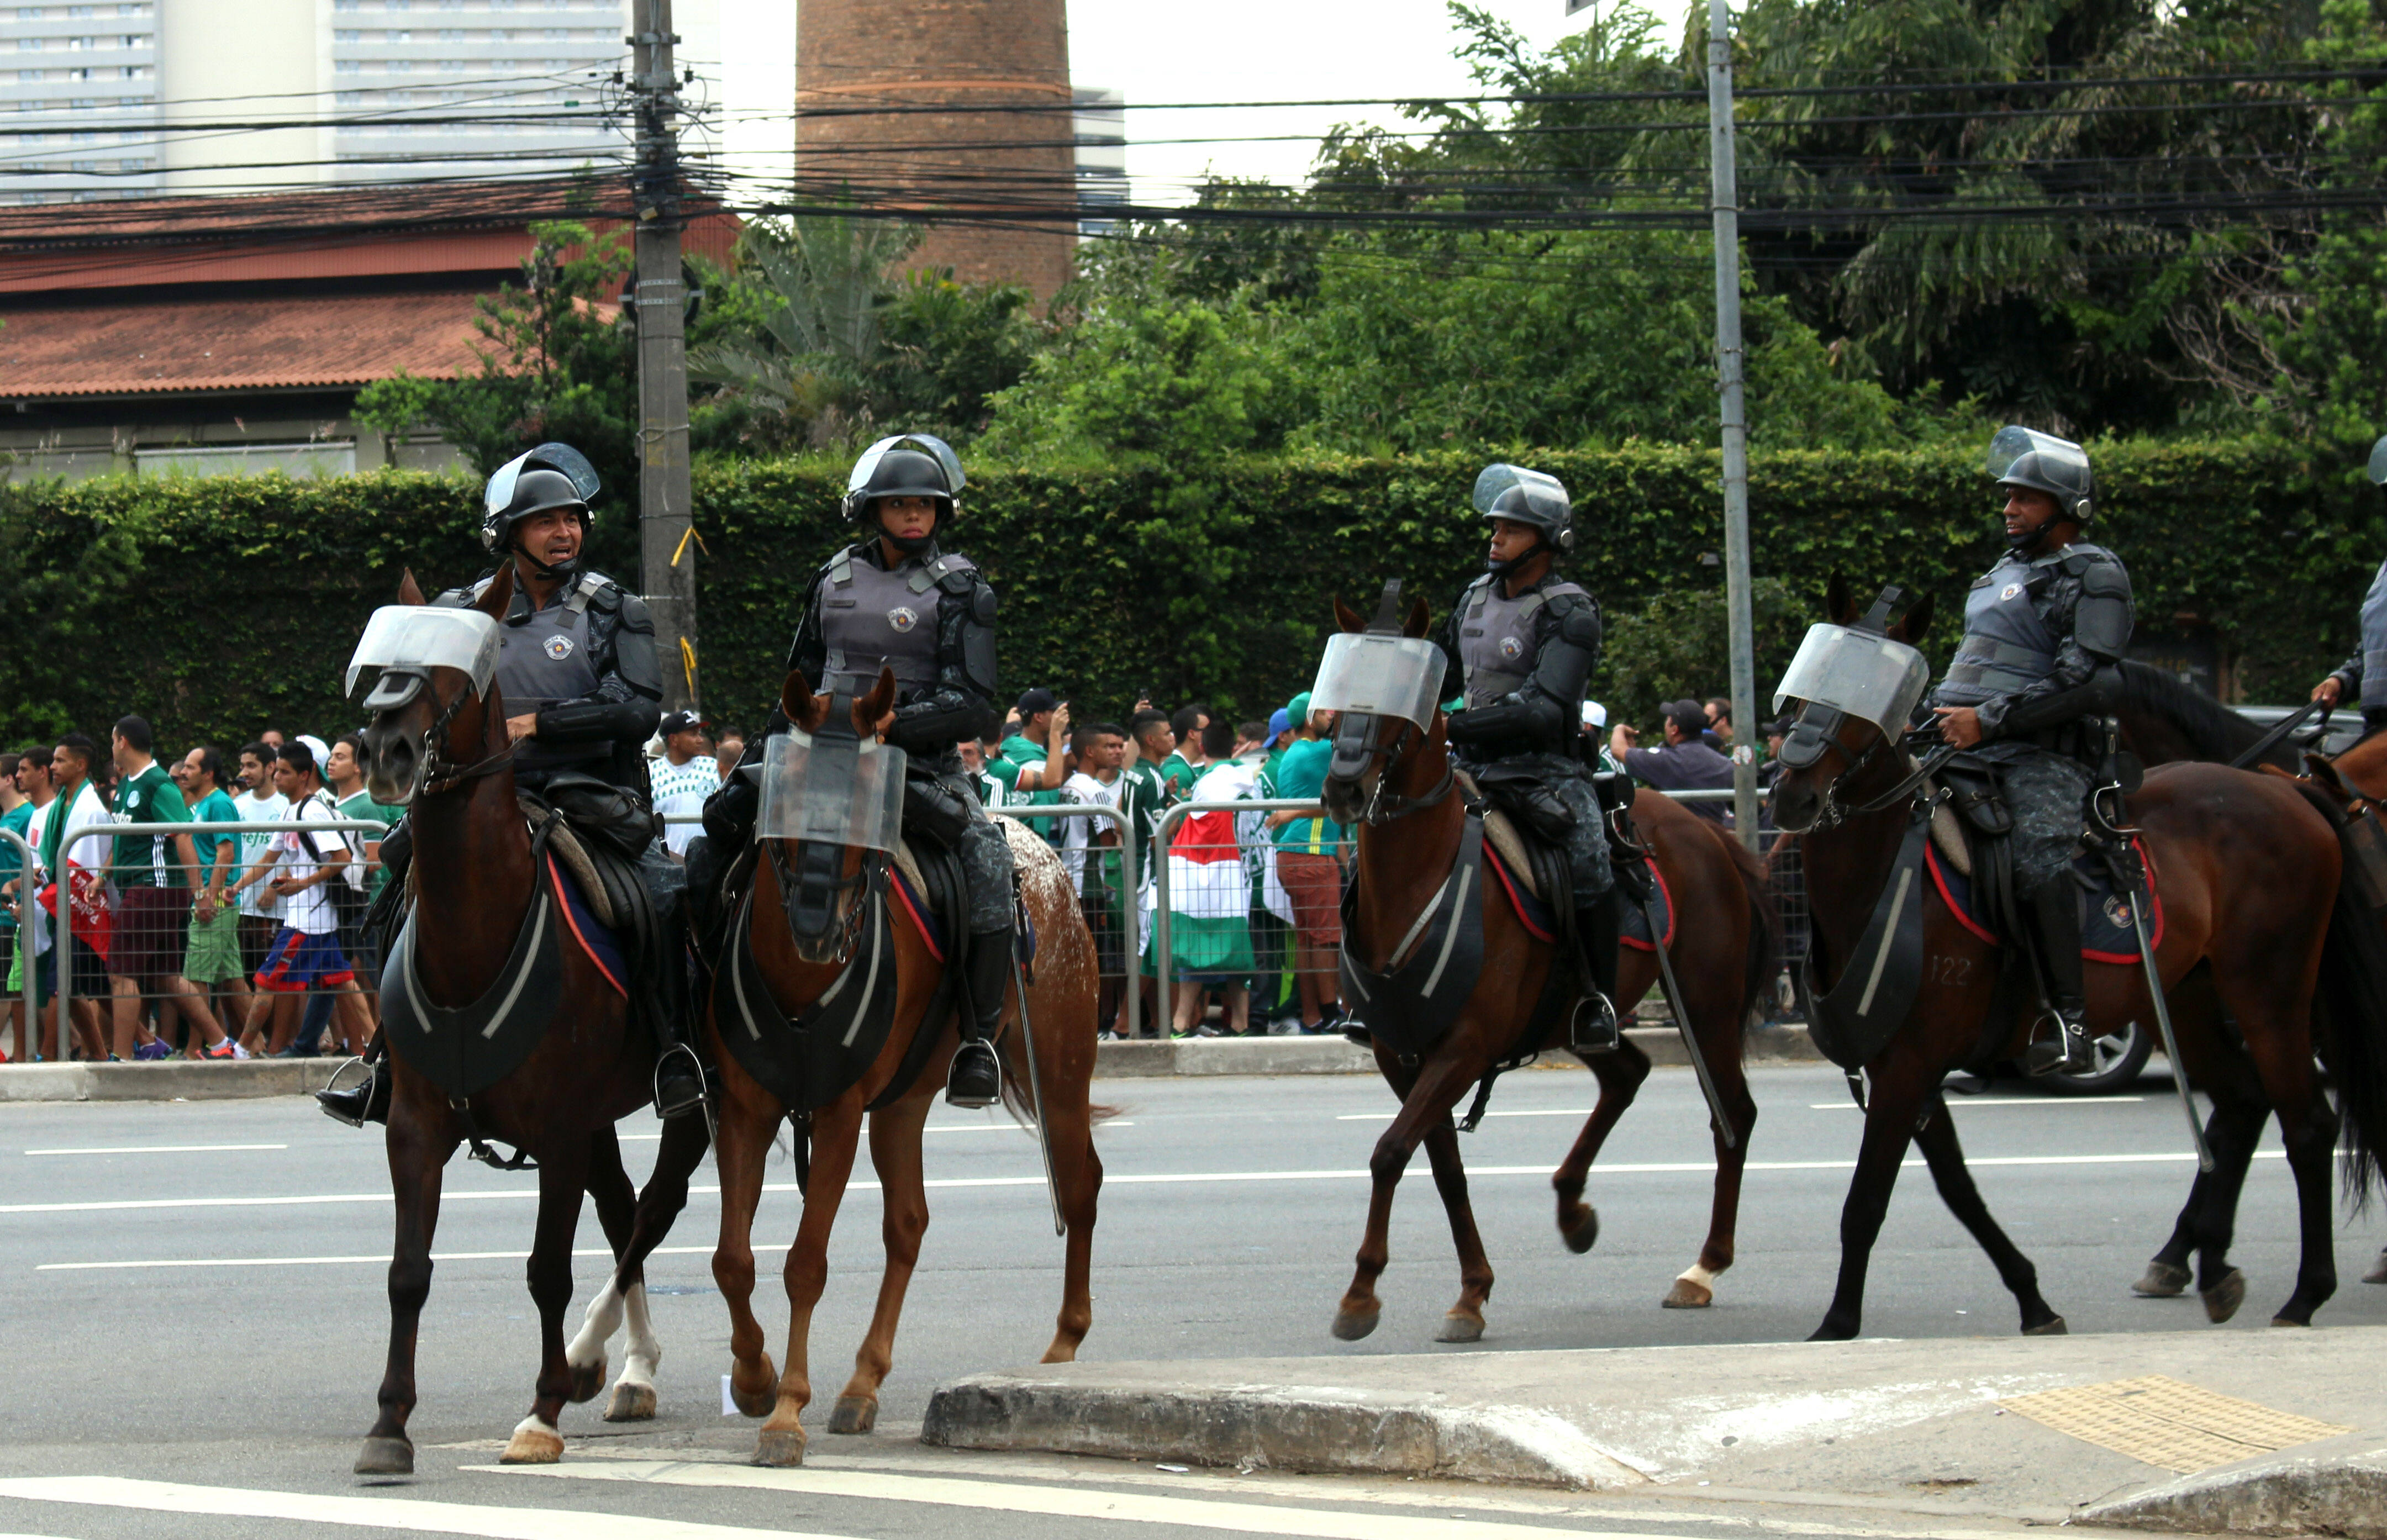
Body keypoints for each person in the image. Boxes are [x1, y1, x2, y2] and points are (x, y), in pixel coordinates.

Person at [321, 441, 695, 1125]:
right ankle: (386, 1056)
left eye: (573, 520)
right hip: (478, 795)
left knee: (663, 897)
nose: (565, 533)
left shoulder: (614, 606)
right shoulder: (459, 611)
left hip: (590, 797)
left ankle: (675, 1049)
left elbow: (638, 706)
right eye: (547, 522)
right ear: (508, 535)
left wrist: (539, 725)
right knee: (396, 880)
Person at [697, 433, 1015, 1107]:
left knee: (986, 856)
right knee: (712, 834)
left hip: (913, 766)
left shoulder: (963, 588)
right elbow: (803, 675)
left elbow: (972, 704)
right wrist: (760, 755)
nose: (912, 516)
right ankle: (691, 1015)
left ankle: (979, 1040)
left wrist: (894, 722)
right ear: (871, 510)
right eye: (898, 504)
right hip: (815, 756)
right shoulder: (833, 576)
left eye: (924, 505)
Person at [1923, 427, 2130, 1075]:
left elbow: (2085, 681)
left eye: (2025, 498)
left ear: (2069, 509)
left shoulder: (2095, 573)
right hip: (1963, 740)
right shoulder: (1998, 576)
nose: (2009, 508)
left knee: (2038, 855)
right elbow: (1971, 669)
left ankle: (2070, 1020)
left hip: (2043, 755)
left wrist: (1986, 722)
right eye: (2008, 497)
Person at [1436, 463, 1622, 1054]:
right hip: (1465, 764)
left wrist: (1453, 723)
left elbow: (1544, 709)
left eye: (1510, 530)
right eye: (1494, 528)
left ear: (1547, 540)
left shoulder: (1572, 611)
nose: (1495, 539)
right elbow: (1435, 670)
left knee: (1590, 859)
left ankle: (1598, 999)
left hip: (1544, 769)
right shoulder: (1471, 595)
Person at [231, 741, 371, 1059]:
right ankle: (369, 1047)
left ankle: (240, 1049)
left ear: (304, 775)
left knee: (267, 981)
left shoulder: (313, 811)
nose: (276, 777)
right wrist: (236, 889)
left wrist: (301, 884)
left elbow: (341, 858)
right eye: (276, 771)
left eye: (284, 772)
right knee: (342, 982)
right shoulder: (290, 811)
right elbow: (268, 859)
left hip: (309, 921)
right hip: (311, 920)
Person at [101, 716, 223, 1061]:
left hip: (154, 887)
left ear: (123, 741)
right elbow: (123, 837)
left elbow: (182, 835)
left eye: (113, 741)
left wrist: (199, 893)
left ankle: (122, 1057)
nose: (112, 748)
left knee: (120, 973)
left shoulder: (159, 785)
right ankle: (222, 1043)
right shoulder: (127, 785)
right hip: (145, 887)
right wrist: (103, 874)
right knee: (165, 975)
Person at [1265, 701, 1346, 1034]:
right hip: (1312, 856)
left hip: (1296, 856)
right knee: (1326, 939)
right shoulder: (1317, 752)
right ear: (1309, 720)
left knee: (1308, 940)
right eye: (1327, 712)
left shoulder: (1296, 752)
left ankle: (1313, 1016)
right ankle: (1331, 1014)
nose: (1333, 717)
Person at [40, 735, 116, 1062]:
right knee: (87, 986)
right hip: (65, 903)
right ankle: (106, 1050)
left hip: (81, 907)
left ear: (81, 765)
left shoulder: (91, 810)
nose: (53, 767)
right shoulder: (64, 805)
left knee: (63, 983)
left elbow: (87, 864)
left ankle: (45, 1054)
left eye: (60, 761)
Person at [1060, 721, 1132, 1035]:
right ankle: (1098, 1023)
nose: (1117, 752)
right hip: (1089, 885)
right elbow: (1107, 838)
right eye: (1109, 747)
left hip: (1068, 880)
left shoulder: (1069, 785)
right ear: (1090, 751)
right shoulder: (1096, 790)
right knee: (1096, 958)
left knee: (1073, 956)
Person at [177, 746, 250, 1052]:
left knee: (195, 977)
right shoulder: (203, 804)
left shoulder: (218, 803)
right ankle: (255, 1043)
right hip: (216, 899)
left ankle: (197, 1049)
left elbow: (226, 852)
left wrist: (208, 897)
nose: (183, 772)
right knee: (231, 979)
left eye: (191, 768)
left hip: (214, 901)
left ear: (208, 774)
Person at [1614, 700, 1736, 821]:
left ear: (1674, 730)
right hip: (1716, 837)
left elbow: (1618, 750)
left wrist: (1619, 729)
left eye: (1668, 720)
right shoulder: (1725, 764)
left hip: (1680, 837)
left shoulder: (1667, 760)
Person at [229, 742, 288, 989]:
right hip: (240, 907)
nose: (244, 772)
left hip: (276, 910)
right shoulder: (237, 806)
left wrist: (275, 887)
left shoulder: (286, 806)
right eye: (242, 766)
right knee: (242, 980)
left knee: (278, 982)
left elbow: (300, 857)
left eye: (251, 765)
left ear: (270, 768)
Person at [647, 710, 720, 858]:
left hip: (709, 863)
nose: (700, 740)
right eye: (693, 734)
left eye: (699, 734)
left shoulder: (712, 767)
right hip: (669, 864)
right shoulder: (651, 773)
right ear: (674, 740)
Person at [0, 753, 24, 1062]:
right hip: (4, 915)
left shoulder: (27, 815)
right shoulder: (5, 819)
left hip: (13, 916)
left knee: (6, 986)